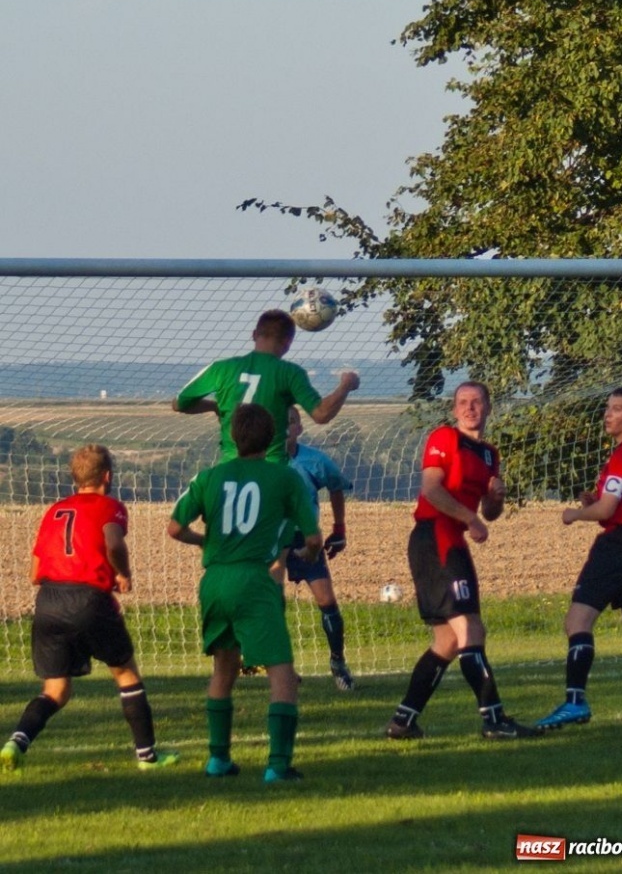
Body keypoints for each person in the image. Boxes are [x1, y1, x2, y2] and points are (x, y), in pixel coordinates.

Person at [167, 403, 322, 782]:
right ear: (271, 438)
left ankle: (218, 759)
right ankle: (278, 765)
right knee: (281, 671)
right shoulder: (284, 479)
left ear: (233, 437)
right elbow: (314, 537)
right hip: (255, 579)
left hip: (215, 579)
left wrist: (206, 541)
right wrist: (307, 552)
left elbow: (174, 528)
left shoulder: (209, 477)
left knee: (224, 667)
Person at [0, 444, 178, 772]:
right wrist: (123, 574)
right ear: (107, 476)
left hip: (49, 602)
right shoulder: (110, 506)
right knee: (125, 672)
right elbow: (114, 542)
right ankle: (148, 757)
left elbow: (35, 573)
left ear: (75, 478)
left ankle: (16, 741)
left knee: (56, 689)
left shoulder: (54, 510)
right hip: (89, 600)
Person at [386, 381, 538, 741]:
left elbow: (491, 511)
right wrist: (470, 518)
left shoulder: (489, 454)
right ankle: (494, 719)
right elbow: (432, 489)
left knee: (448, 641)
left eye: (476, 402)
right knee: (471, 630)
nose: (469, 408)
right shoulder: (444, 438)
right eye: (462, 402)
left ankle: (403, 721)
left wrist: (495, 499)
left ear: (488, 407)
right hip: (435, 537)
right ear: (454, 410)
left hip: (452, 542)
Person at [536, 387, 622, 735]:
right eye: (607, 408)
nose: (608, 414)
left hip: (619, 544)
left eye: (617, 409)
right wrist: (594, 500)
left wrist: (575, 514)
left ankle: (575, 701)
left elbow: (607, 511)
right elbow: (618, 500)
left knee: (577, 621)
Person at [172, 308, 360, 463]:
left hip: (230, 467)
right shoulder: (289, 372)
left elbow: (179, 403)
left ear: (254, 334)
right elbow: (321, 414)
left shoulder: (220, 368)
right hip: (272, 469)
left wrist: (214, 406)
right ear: (288, 342)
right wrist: (345, 386)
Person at [278, 405, 354, 691]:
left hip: (305, 537)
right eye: (279, 421)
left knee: (326, 600)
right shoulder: (260, 462)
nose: (285, 427)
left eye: (291, 422)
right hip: (271, 541)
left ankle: (338, 662)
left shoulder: (315, 461)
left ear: (299, 428)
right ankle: (280, 666)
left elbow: (336, 486)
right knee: (271, 603)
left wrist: (339, 529)